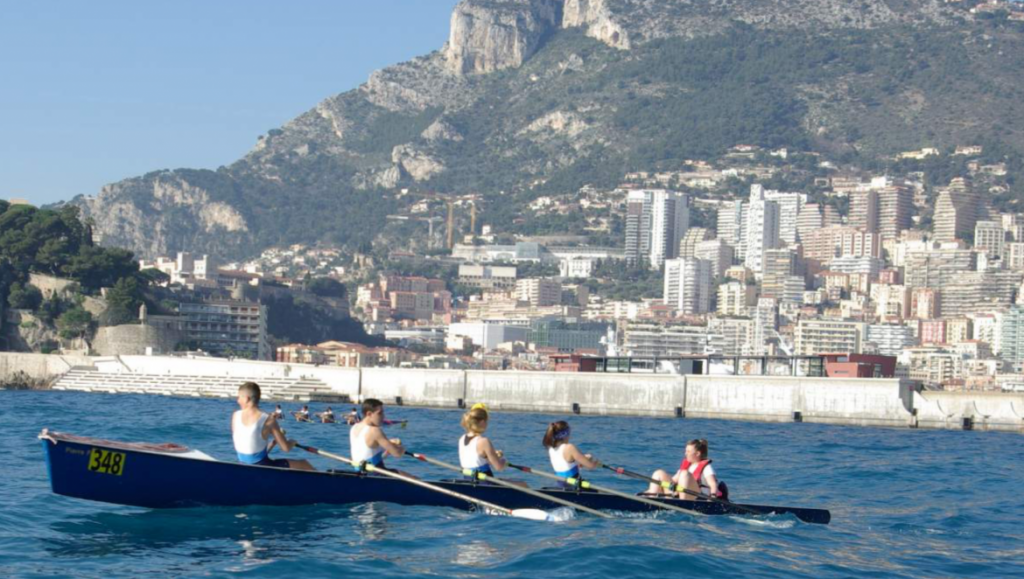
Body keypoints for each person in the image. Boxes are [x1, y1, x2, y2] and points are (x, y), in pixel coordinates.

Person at [231, 382, 314, 471]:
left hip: (242, 465)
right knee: (304, 464)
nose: (237, 400)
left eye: (239, 397)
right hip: (262, 466)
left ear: (246, 399)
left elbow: (250, 451)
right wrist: (292, 442)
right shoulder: (269, 420)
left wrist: (272, 444)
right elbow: (285, 448)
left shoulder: (235, 416)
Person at [646, 438, 727, 500]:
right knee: (659, 473)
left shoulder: (707, 468)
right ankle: (651, 496)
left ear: (697, 453)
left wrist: (712, 497)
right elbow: (673, 481)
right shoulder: (686, 466)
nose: (685, 454)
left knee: (685, 474)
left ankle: (682, 502)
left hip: (698, 498)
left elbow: (713, 484)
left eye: (688, 451)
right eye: (685, 451)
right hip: (678, 494)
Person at [349, 398, 405, 472]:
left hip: (359, 472)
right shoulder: (375, 431)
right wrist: (402, 448)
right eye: (380, 413)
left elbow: (368, 454)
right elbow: (397, 454)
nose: (383, 416)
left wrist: (388, 449)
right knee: (416, 480)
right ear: (369, 414)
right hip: (377, 473)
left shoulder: (354, 427)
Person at [457, 403, 509, 481]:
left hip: (468, 481)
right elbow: (498, 467)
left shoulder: (461, 439)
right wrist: (503, 462)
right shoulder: (484, 441)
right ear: (482, 422)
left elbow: (476, 462)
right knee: (523, 485)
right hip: (485, 483)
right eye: (486, 421)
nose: (487, 424)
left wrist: (493, 456)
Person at [543, 421, 601, 486]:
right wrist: (596, 462)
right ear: (565, 435)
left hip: (560, 483)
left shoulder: (550, 449)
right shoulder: (569, 447)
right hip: (573, 485)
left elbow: (566, 464)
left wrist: (581, 461)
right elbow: (591, 466)